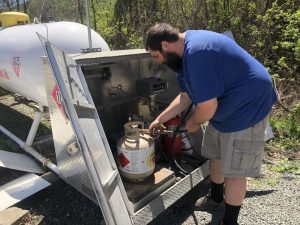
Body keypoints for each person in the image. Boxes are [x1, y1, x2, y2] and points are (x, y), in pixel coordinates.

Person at [145, 23, 277, 225]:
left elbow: (206, 108)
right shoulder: (182, 56)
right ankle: (216, 198)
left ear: (165, 44)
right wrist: (159, 119)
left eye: (156, 56)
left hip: (248, 105)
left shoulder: (198, 52)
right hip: (224, 106)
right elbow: (185, 96)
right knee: (214, 154)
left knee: (235, 170)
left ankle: (230, 221)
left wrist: (193, 123)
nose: (159, 61)